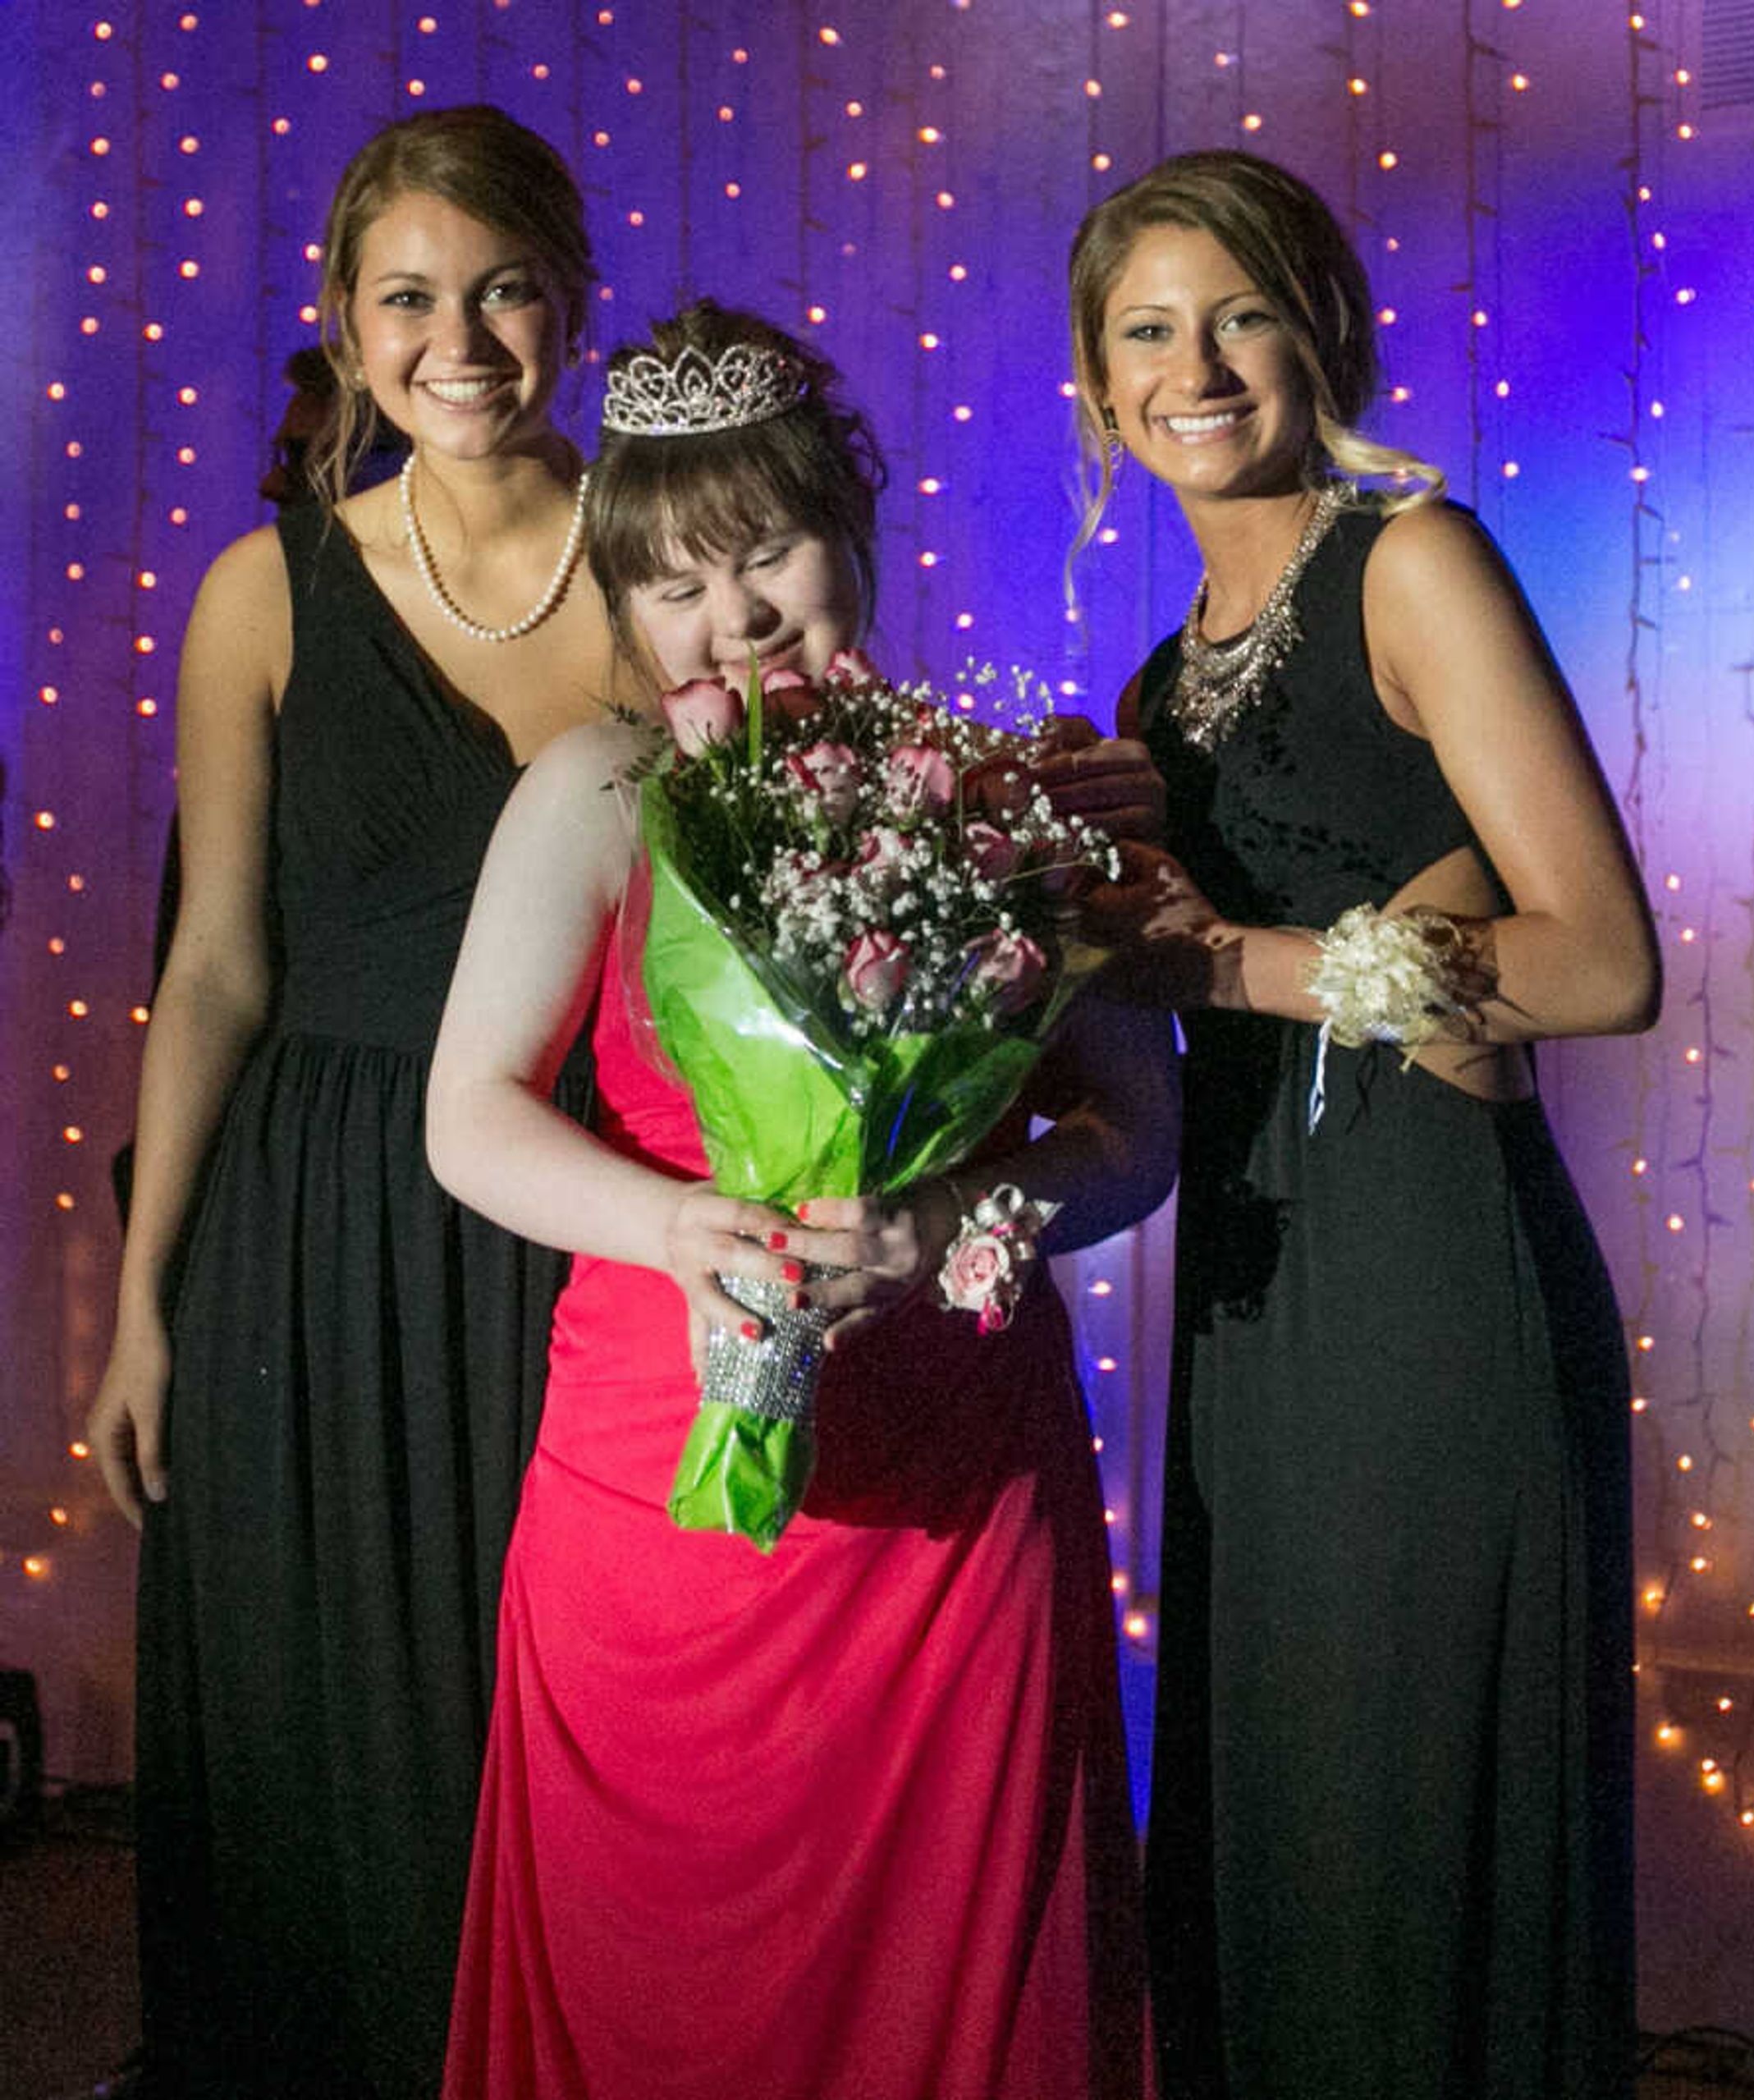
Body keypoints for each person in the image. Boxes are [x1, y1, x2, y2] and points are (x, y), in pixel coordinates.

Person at [423, 300, 1163, 2100]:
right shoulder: (595, 792)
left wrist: (952, 1226)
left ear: (858, 538)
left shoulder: (1006, 800)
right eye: (673, 581)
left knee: (959, 1980)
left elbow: (1132, 1138)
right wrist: (679, 1228)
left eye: (768, 554)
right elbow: (468, 1120)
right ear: (620, 603)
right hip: (648, 1483)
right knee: (645, 1972)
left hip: (953, 1488)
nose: (731, 618)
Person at [1065, 149, 1660, 2098]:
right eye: (1148, 329)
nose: (1199, 363)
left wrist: (1234, 958)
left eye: (1239, 310)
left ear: (1319, 327)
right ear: (1095, 386)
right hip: (1256, 1294)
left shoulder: (1415, 563)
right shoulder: (1155, 690)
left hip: (1429, 1272)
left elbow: (1597, 960)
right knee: (1284, 1806)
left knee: (1418, 1812)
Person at [80, 105, 614, 2099]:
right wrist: (144, 1304)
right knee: (315, 1755)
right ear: (342, 318)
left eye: (498, 290)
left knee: (535, 1744)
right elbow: (215, 965)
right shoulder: (262, 589)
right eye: (408, 297)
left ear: (572, 299)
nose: (456, 338)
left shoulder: (674, 559)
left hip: (571, 1230)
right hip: (300, 1244)